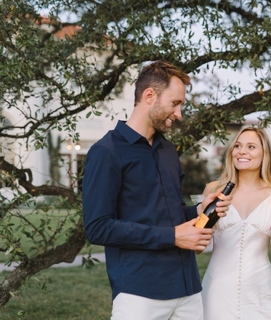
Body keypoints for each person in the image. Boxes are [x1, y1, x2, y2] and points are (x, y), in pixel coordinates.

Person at [82, 60, 231, 320]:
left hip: (188, 291)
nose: (179, 114)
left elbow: (170, 214)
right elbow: (98, 227)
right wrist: (172, 236)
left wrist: (199, 209)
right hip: (139, 294)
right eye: (175, 104)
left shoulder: (168, 151)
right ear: (149, 95)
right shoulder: (106, 152)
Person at [200, 127, 271, 320]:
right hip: (217, 292)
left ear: (264, 154)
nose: (242, 151)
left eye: (251, 146)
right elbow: (199, 245)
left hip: (260, 292)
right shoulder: (213, 189)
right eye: (237, 146)